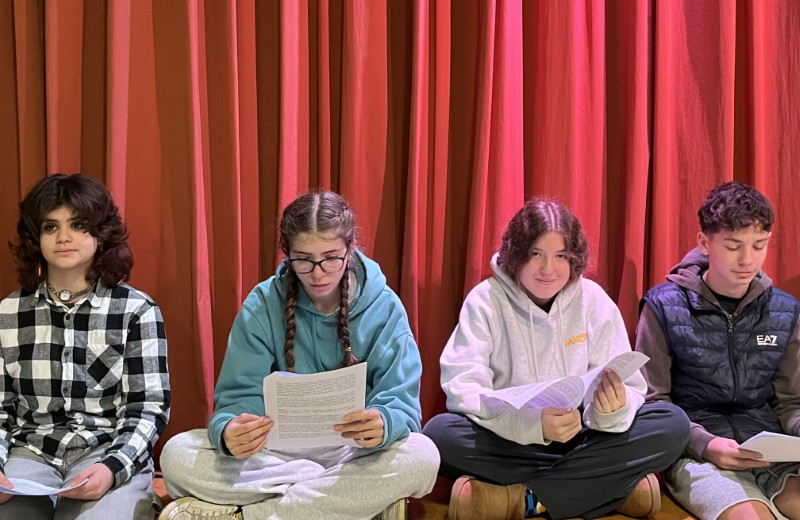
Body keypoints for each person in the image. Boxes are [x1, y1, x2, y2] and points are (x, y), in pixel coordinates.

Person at [159, 190, 439, 520]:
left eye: (331, 258)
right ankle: (342, 500)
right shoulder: (262, 304)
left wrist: (385, 422)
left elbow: (402, 404)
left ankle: (253, 515)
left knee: (423, 457)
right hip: (276, 458)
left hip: (354, 454)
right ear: (287, 254)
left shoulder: (384, 306)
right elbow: (237, 398)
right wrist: (229, 430)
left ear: (349, 250)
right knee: (176, 456)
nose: (318, 273)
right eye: (303, 260)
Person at [423, 197, 690, 520]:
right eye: (536, 254)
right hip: (513, 441)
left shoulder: (593, 300)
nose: (548, 269)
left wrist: (610, 413)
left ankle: (527, 499)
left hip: (585, 439)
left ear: (574, 259)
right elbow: (464, 388)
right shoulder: (485, 300)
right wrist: (533, 426)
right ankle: (610, 490)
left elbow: (631, 387)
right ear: (516, 253)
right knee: (440, 434)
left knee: (672, 424)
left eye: (561, 256)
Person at [0, 173, 171, 519]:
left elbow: (147, 408)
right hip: (29, 454)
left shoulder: (136, 310)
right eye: (50, 227)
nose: (63, 237)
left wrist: (112, 468)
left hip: (106, 451)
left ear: (100, 233)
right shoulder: (9, 312)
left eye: (77, 225)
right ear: (36, 237)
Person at [636, 182, 800, 520]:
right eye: (733, 246)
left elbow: (790, 403)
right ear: (704, 242)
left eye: (759, 245)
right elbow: (653, 403)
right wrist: (704, 444)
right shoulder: (662, 305)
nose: (747, 260)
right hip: (698, 453)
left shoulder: (785, 310)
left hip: (772, 452)